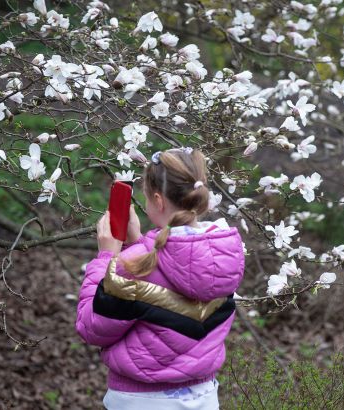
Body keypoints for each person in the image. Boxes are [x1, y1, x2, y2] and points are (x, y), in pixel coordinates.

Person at [76, 148, 245, 409]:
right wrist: (139, 243)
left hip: (140, 400)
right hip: (203, 397)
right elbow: (175, 273)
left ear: (158, 199)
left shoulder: (133, 266)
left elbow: (91, 327)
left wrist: (106, 258)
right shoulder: (223, 253)